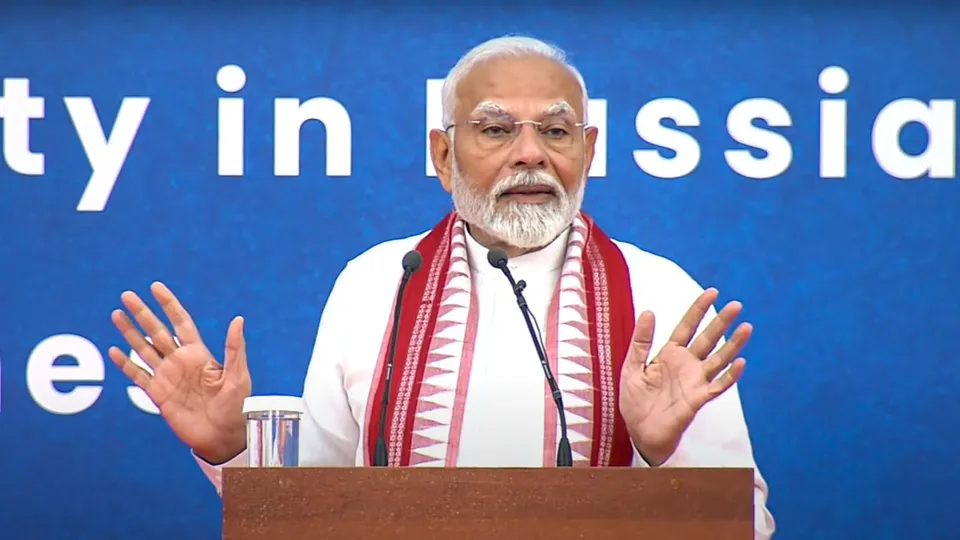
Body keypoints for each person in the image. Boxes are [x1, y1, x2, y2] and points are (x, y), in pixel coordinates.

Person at [107, 35, 775, 538]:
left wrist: (665, 462)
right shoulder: (375, 284)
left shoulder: (658, 292)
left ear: (589, 150)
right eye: (494, 129)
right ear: (441, 154)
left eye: (555, 130)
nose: (531, 153)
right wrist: (232, 451)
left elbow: (750, 522)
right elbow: (312, 509)